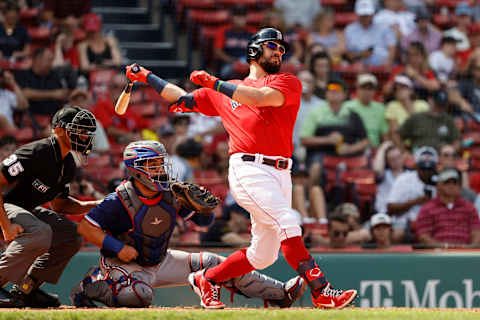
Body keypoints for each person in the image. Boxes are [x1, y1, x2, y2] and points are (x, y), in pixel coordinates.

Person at [124, 27, 357, 309]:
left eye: (282, 49)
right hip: (249, 168)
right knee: (287, 221)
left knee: (263, 255)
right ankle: (321, 291)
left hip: (282, 172)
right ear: (254, 50)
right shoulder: (224, 90)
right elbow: (181, 99)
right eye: (272, 46)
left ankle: (206, 278)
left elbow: (258, 98)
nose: (278, 52)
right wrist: (146, 76)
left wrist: (214, 83)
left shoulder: (287, 82)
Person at [71, 140, 306, 308]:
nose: (159, 169)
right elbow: (85, 227)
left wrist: (200, 208)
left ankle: (280, 293)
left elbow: (204, 223)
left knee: (215, 264)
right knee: (139, 297)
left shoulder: (171, 193)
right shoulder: (119, 199)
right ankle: (92, 285)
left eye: (160, 164)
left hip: (160, 260)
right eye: (152, 164)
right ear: (136, 169)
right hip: (124, 265)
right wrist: (118, 247)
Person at [0, 106, 99, 308]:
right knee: (41, 231)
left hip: (25, 209)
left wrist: (95, 204)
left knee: (72, 235)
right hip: (5, 205)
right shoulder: (37, 151)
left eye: (86, 132)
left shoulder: (68, 164)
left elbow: (60, 205)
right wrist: (6, 226)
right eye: (78, 130)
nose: (84, 136)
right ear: (60, 129)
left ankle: (27, 290)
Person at [415, 167, 480, 248]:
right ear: (438, 185)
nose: (451, 185)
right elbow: (423, 236)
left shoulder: (470, 208)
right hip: (436, 253)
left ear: (459, 186)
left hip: (465, 253)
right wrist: (444, 247)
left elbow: (477, 233)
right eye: (447, 182)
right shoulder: (427, 208)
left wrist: (469, 248)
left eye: (455, 182)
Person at [386, 146, 438, 242]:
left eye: (429, 169)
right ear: (416, 166)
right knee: (397, 234)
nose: (426, 172)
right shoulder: (404, 179)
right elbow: (390, 208)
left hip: (433, 223)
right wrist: (416, 201)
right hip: (404, 222)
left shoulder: (440, 182)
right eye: (423, 168)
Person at [394, 90, 461, 152]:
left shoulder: (448, 120)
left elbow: (457, 140)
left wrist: (450, 151)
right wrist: (404, 152)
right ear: (430, 101)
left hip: (441, 157)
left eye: (442, 105)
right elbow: (397, 135)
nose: (439, 108)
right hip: (419, 157)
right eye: (437, 105)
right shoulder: (417, 118)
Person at [344, 0, 396, 66]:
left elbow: (392, 47)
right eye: (362, 15)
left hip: (382, 67)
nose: (365, 18)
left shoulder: (384, 27)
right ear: (357, 14)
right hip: (358, 67)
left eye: (367, 15)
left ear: (372, 14)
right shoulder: (349, 29)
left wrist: (388, 63)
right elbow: (346, 53)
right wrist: (360, 55)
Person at [385, 74, 430, 139]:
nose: (399, 90)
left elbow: (422, 128)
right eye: (396, 88)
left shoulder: (422, 104)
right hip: (401, 144)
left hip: (421, 141)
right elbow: (395, 132)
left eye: (403, 87)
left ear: (411, 90)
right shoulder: (392, 105)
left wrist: (407, 102)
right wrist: (403, 149)